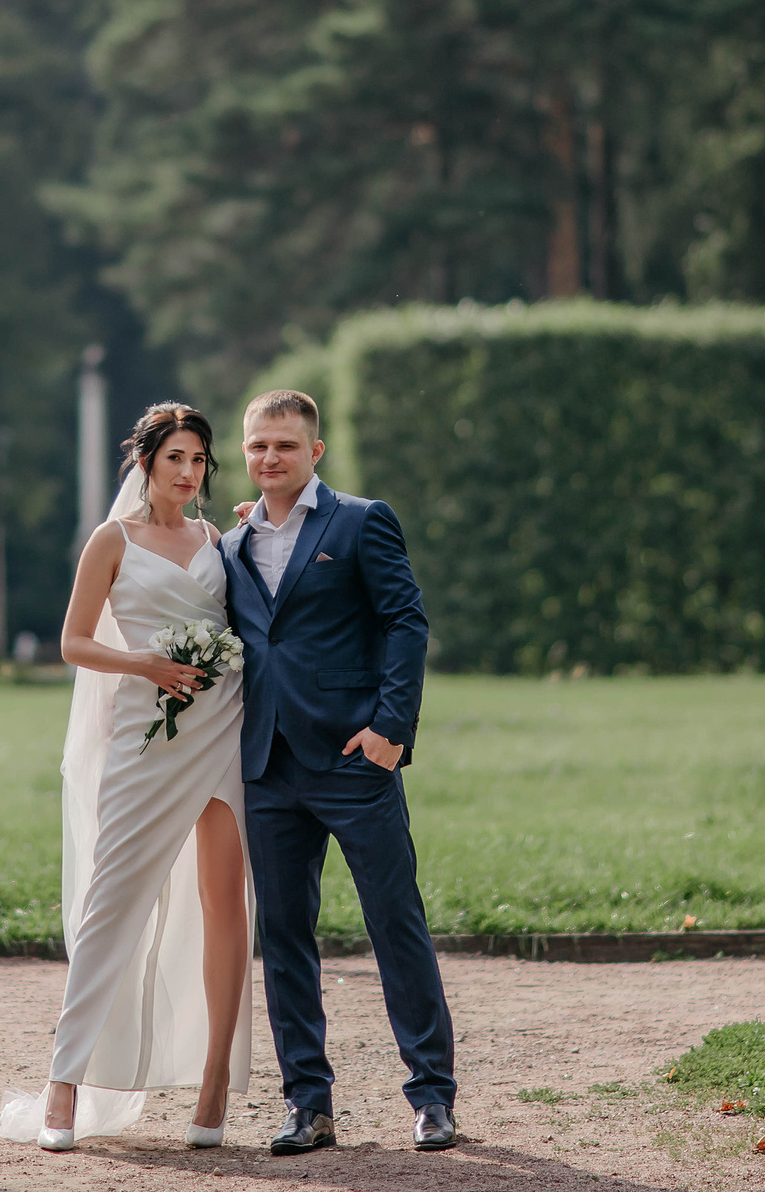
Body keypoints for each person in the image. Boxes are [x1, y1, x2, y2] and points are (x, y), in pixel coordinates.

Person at [0, 403, 253, 1152]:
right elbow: (74, 643)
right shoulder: (112, 539)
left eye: (199, 459)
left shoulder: (216, 540)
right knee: (110, 905)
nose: (188, 471)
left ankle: (214, 1080)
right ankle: (65, 1078)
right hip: (145, 741)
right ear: (146, 462)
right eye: (176, 457)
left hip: (220, 732)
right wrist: (143, 662)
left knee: (226, 904)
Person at [223, 388, 457, 1154]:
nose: (270, 457)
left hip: (355, 760)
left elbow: (404, 620)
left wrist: (392, 728)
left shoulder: (360, 520)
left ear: (315, 451)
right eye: (259, 445)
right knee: (284, 936)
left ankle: (432, 1096)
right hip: (267, 765)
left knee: (395, 921)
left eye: (285, 444)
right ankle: (308, 1103)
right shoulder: (232, 543)